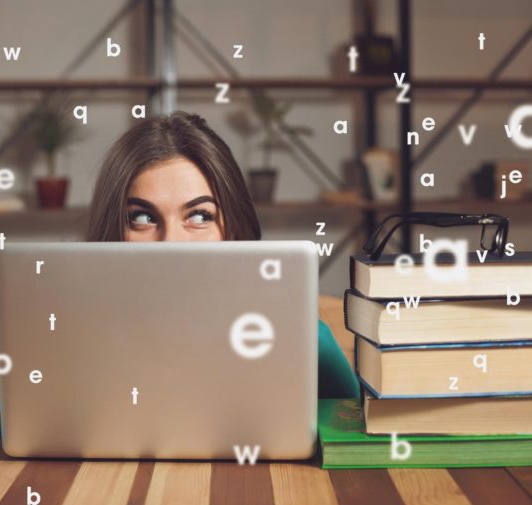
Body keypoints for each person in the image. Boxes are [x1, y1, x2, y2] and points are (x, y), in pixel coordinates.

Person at [86, 111, 358, 399]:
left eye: (200, 216)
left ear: (232, 229)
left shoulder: (303, 338)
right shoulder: (71, 339)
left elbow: (347, 435)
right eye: (142, 217)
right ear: (113, 229)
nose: (171, 244)